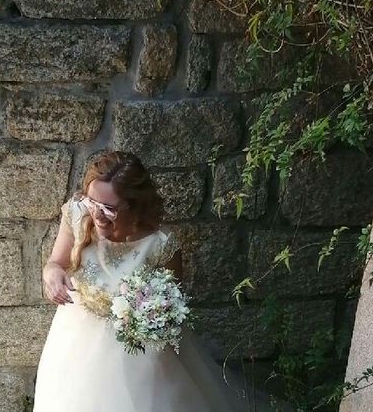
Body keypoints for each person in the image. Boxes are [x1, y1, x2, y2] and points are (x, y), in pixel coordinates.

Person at [34, 151, 274, 411]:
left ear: (134, 205)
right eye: (93, 203)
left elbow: (171, 309)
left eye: (109, 209)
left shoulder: (160, 246)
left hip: (137, 354)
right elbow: (54, 263)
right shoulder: (77, 215)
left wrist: (153, 320)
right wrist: (52, 275)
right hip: (75, 340)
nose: (98, 215)